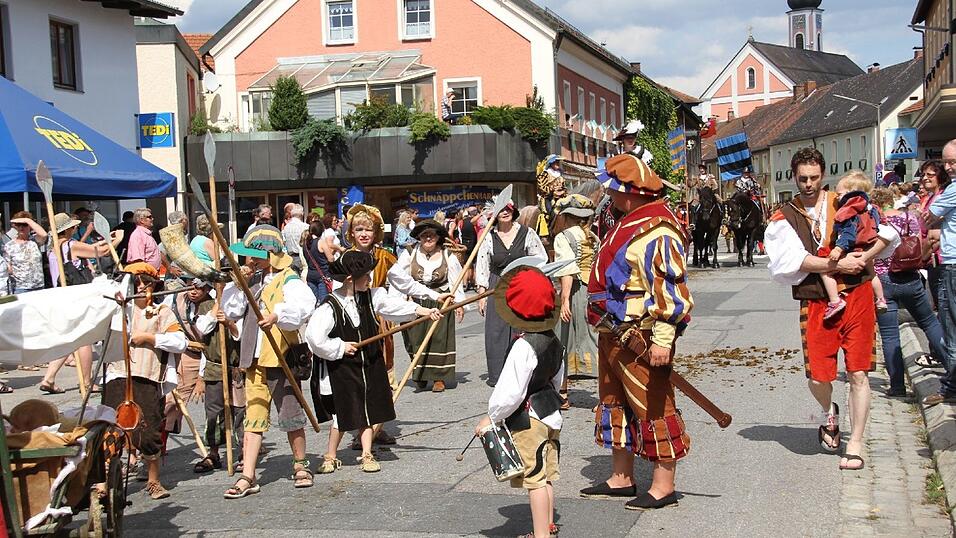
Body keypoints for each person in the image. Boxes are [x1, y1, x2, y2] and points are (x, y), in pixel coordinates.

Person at [765, 147, 898, 471]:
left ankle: (855, 443)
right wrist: (834, 263)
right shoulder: (785, 215)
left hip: (858, 295)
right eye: (802, 178)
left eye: (813, 177)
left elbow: (889, 233)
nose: (808, 184)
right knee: (818, 376)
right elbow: (791, 261)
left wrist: (863, 260)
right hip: (816, 300)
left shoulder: (846, 201)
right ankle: (829, 412)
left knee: (858, 372)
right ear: (793, 177)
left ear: (822, 175)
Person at [579, 153, 694, 511]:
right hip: (612, 331)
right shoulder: (628, 220)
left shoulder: (658, 230)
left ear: (630, 193)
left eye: (613, 190)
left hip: (639, 335)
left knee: (654, 405)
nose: (608, 196)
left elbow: (670, 291)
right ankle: (621, 478)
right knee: (615, 403)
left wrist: (663, 340)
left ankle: (663, 485)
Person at [306, 251, 441, 474]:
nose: (370, 279)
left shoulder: (373, 296)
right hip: (344, 367)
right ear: (350, 279)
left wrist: (423, 310)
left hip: (370, 361)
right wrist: (340, 347)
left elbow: (393, 307)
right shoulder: (330, 306)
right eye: (366, 276)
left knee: (368, 410)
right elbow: (314, 337)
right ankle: (331, 455)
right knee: (343, 412)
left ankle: (367, 453)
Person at [221, 225, 315, 498]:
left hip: (280, 356)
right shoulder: (251, 280)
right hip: (253, 358)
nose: (250, 261)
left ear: (271, 254)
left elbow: (303, 307)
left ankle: (300, 464)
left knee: (289, 413)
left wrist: (278, 314)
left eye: (255, 256)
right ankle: (248, 475)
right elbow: (233, 310)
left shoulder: (289, 279)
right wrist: (235, 285)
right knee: (254, 414)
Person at [475, 265, 563, 538]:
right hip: (551, 413)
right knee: (546, 475)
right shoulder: (554, 340)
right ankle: (548, 526)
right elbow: (558, 379)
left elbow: (510, 392)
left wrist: (492, 416)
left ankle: (541, 535)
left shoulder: (523, 346)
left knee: (534, 481)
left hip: (530, 420)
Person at [102, 262, 187, 500]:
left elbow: (180, 341)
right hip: (117, 376)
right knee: (111, 429)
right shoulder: (118, 310)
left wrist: (149, 338)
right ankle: (105, 481)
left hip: (148, 378)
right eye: (136, 282)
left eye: (146, 282)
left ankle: (153, 480)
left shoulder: (161, 311)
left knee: (149, 431)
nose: (141, 286)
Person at [870, 188, 945, 397]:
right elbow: (922, 243)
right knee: (930, 323)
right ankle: (951, 367)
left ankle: (897, 387)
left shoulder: (877, 221)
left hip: (883, 279)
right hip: (910, 277)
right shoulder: (909, 217)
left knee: (889, 335)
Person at [41, 213, 122, 395]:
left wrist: (105, 240)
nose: (76, 229)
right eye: (74, 227)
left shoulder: (52, 247)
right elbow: (101, 252)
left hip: (60, 294)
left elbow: (91, 247)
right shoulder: (71, 245)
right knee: (83, 338)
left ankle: (49, 377)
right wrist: (116, 241)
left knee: (68, 338)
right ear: (68, 229)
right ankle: (86, 382)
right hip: (75, 296)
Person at [387, 219, 465, 392]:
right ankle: (420, 374)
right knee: (414, 339)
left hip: (441, 301)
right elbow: (398, 279)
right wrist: (397, 302)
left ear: (438, 237)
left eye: (431, 235)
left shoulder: (448, 255)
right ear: (419, 238)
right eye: (424, 236)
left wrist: (459, 304)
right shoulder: (409, 253)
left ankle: (439, 378)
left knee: (438, 339)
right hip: (416, 302)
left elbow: (456, 280)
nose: (427, 239)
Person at [475, 200, 547, 386]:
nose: (505, 213)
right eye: (501, 210)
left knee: (521, 327)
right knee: (496, 331)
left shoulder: (527, 233)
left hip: (522, 285)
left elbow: (540, 258)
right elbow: (482, 265)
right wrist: (481, 294)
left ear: (513, 210)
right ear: (495, 214)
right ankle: (499, 375)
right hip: (497, 285)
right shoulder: (489, 237)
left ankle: (524, 373)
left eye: (508, 209)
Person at [346, 204, 400, 444]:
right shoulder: (345, 258)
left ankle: (377, 426)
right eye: (359, 229)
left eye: (369, 229)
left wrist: (431, 297)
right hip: (354, 319)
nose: (364, 234)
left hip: (380, 321)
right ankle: (361, 429)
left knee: (382, 373)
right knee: (358, 376)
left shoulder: (384, 257)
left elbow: (404, 282)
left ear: (376, 231)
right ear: (352, 233)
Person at [817, 172, 887, 319]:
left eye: (839, 194)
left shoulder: (849, 210)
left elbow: (849, 233)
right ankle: (880, 299)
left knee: (824, 270)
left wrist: (838, 248)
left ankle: (835, 301)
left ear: (850, 193)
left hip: (853, 248)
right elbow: (881, 225)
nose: (836, 197)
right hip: (868, 246)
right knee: (872, 274)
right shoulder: (871, 208)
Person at [551, 195, 600, 397]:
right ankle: (604, 395)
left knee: (562, 340)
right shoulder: (592, 236)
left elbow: (567, 271)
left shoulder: (564, 237)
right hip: (593, 292)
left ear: (566, 216)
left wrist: (564, 301)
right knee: (594, 339)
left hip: (575, 291)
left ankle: (562, 393)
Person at [918, 160, 951, 311]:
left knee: (943, 307)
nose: (925, 178)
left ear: (941, 176)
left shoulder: (941, 197)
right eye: (923, 174)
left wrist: (921, 258)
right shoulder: (932, 196)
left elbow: (934, 236)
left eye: (930, 174)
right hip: (933, 259)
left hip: (937, 258)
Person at [4, 211, 48, 294]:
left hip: (39, 286)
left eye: (24, 225)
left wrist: (28, 220)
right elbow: (8, 268)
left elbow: (44, 234)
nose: (21, 227)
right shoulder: (9, 246)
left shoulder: (35, 241)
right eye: (18, 225)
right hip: (20, 288)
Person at [302, 220, 334, 303]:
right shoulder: (321, 242)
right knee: (324, 302)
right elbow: (331, 259)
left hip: (310, 276)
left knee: (313, 302)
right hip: (322, 276)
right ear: (321, 231)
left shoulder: (305, 244)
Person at [282, 204, 309, 271]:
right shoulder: (305, 226)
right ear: (302, 214)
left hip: (290, 258)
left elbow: (283, 242)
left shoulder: (286, 227)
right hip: (303, 257)